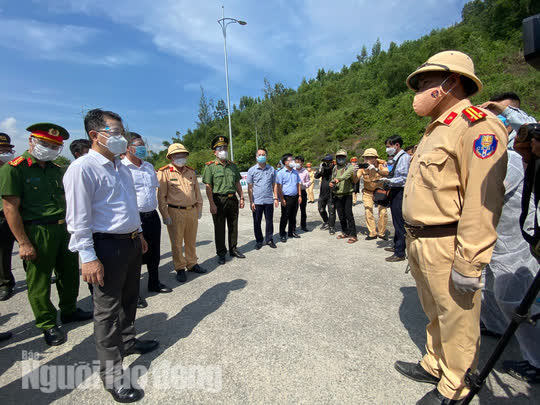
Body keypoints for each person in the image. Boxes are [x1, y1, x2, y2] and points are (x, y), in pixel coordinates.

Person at [394, 50, 508, 405]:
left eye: (426, 83)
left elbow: (482, 199)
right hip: (420, 240)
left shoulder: (477, 125)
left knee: (458, 318)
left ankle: (456, 386)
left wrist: (470, 260)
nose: (419, 91)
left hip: (447, 241)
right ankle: (435, 362)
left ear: (451, 82)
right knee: (434, 310)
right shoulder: (434, 130)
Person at [64, 109, 158, 403]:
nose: (122, 138)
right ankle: (113, 376)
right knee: (106, 312)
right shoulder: (83, 169)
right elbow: (78, 220)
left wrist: (139, 233)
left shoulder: (121, 167)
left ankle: (128, 341)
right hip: (104, 246)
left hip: (130, 242)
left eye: (121, 132)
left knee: (130, 297)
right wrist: (88, 257)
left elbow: (129, 205)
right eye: (115, 133)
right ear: (95, 135)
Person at [0, 123, 92, 346]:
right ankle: (47, 323)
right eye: (45, 143)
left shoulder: (57, 169)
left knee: (69, 273)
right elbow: (10, 208)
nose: (49, 148)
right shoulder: (14, 169)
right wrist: (23, 242)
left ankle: (69, 310)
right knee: (39, 281)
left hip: (63, 229)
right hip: (36, 231)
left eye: (54, 145)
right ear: (32, 141)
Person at [123, 133, 172, 296]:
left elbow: (155, 191)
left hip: (152, 215)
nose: (143, 148)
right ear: (128, 147)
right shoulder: (122, 168)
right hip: (134, 218)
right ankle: (133, 294)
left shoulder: (149, 167)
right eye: (139, 145)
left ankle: (154, 282)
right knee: (134, 257)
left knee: (154, 252)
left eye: (143, 144)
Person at [157, 143, 206, 281]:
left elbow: (197, 192)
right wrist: (165, 215)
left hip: (191, 210)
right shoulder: (164, 172)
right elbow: (161, 197)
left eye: (183, 155)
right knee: (177, 242)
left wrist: (199, 209)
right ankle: (180, 267)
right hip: (175, 211)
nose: (180, 157)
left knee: (191, 240)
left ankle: (192, 263)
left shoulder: (191, 171)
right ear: (171, 157)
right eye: (177, 155)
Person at [202, 135, 245, 265]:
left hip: (233, 199)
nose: (223, 150)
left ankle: (233, 249)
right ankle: (221, 253)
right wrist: (211, 204)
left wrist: (242, 197)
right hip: (218, 200)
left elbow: (237, 182)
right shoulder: (210, 167)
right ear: (214, 152)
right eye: (220, 148)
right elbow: (208, 187)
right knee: (219, 228)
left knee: (233, 225)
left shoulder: (233, 166)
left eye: (225, 147)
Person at [382, 134, 410, 262]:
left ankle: (400, 252)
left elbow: (404, 178)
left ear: (397, 145)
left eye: (389, 146)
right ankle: (396, 245)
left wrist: (389, 181)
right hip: (395, 189)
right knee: (395, 219)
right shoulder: (396, 158)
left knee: (399, 222)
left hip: (400, 191)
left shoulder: (403, 158)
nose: (388, 149)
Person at [247, 148, 278, 250]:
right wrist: (251, 201)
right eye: (259, 155)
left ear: (266, 156)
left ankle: (269, 239)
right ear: (256, 157)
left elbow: (274, 185)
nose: (261, 156)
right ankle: (259, 241)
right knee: (257, 222)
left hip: (269, 200)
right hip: (257, 201)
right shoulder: (252, 170)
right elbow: (250, 187)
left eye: (263, 154)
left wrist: (276, 198)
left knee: (269, 221)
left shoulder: (272, 169)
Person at [357, 148, 389, 241]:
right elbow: (356, 178)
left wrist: (376, 169)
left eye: (370, 157)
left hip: (380, 191)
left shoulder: (381, 164)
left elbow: (386, 173)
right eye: (366, 157)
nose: (367, 160)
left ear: (375, 158)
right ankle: (372, 232)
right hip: (368, 191)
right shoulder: (362, 167)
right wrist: (354, 172)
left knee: (383, 212)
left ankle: (382, 233)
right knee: (368, 210)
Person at [0, 133, 16, 301]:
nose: (5, 153)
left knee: (30, 248)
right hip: (1, 216)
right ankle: (5, 283)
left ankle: (39, 275)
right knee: (3, 251)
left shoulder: (15, 168)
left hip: (19, 214)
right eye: (1, 150)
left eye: (7, 150)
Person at [329, 149, 357, 243]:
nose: (340, 159)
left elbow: (346, 175)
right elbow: (333, 178)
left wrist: (338, 179)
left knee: (349, 214)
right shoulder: (335, 168)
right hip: (337, 194)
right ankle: (345, 231)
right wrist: (332, 183)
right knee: (341, 215)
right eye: (339, 157)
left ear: (346, 158)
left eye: (343, 157)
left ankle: (353, 235)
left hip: (347, 194)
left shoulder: (349, 167)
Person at [276, 153, 302, 242]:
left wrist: (299, 195)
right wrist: (281, 198)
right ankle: (282, 234)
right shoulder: (281, 173)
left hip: (295, 197)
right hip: (286, 197)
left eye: (292, 160)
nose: (292, 161)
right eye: (290, 160)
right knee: (285, 216)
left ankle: (292, 231)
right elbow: (279, 187)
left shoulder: (295, 172)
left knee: (293, 216)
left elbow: (298, 184)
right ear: (285, 162)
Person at [315, 154, 336, 234]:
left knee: (331, 211)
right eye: (325, 161)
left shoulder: (334, 168)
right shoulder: (323, 168)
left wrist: (331, 167)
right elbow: (316, 176)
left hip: (331, 193)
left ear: (331, 161)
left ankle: (331, 226)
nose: (326, 163)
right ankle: (326, 221)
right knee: (321, 209)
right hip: (323, 193)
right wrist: (320, 171)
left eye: (328, 161)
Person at [295, 155, 312, 232]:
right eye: (296, 162)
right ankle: (293, 226)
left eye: (299, 162)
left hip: (302, 191)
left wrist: (303, 184)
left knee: (303, 210)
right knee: (293, 210)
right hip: (294, 192)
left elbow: (309, 182)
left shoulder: (305, 172)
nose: (297, 163)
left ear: (302, 163)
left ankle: (303, 225)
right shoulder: (293, 170)